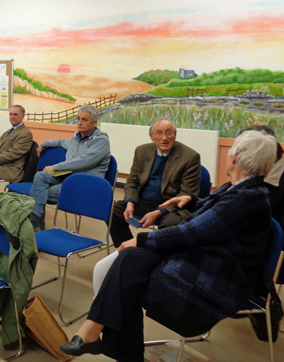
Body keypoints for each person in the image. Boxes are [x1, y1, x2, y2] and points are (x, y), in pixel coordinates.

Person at [60, 129, 277, 362]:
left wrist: (141, 238)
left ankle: (109, 343)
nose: (227, 153)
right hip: (205, 258)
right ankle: (98, 336)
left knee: (126, 283)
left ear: (236, 158)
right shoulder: (243, 189)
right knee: (130, 260)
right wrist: (193, 201)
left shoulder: (246, 197)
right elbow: (218, 214)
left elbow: (192, 232)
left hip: (217, 279)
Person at [110, 118, 201, 247]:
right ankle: (127, 249)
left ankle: (159, 260)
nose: (164, 138)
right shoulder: (141, 151)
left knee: (170, 225)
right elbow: (132, 181)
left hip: (172, 206)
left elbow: (186, 194)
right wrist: (130, 202)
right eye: (159, 133)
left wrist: (159, 212)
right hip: (144, 202)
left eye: (169, 133)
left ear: (175, 134)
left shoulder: (190, 157)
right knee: (115, 211)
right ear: (151, 136)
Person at [29, 105, 111, 231]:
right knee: (40, 177)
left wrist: (55, 167)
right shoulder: (76, 137)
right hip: (68, 176)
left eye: (84, 120)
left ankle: (35, 226)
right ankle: (35, 225)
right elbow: (61, 142)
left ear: (95, 123)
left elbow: (82, 162)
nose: (79, 123)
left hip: (85, 183)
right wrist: (43, 144)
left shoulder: (101, 141)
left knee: (42, 192)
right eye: (78, 119)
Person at [0, 105, 33, 183]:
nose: (12, 117)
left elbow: (13, 154)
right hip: (0, 165)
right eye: (10, 114)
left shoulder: (25, 134)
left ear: (22, 116)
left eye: (15, 114)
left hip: (10, 169)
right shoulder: (8, 132)